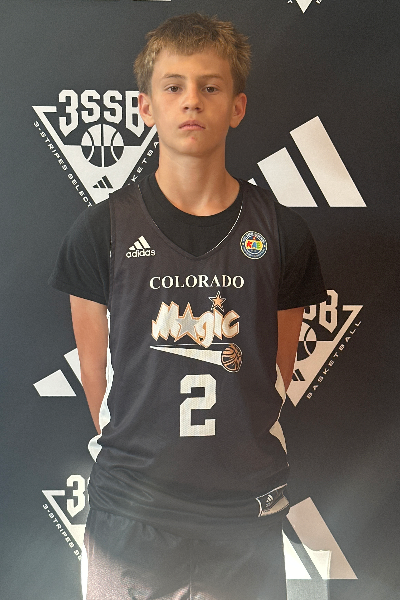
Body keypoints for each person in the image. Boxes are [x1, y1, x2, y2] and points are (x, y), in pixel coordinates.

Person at [50, 13, 327, 600]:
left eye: (210, 86)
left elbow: (274, 377)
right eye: (173, 86)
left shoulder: (282, 234)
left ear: (237, 107)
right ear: (146, 107)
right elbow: (100, 391)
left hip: (244, 518)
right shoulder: (100, 232)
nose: (191, 101)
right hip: (131, 518)